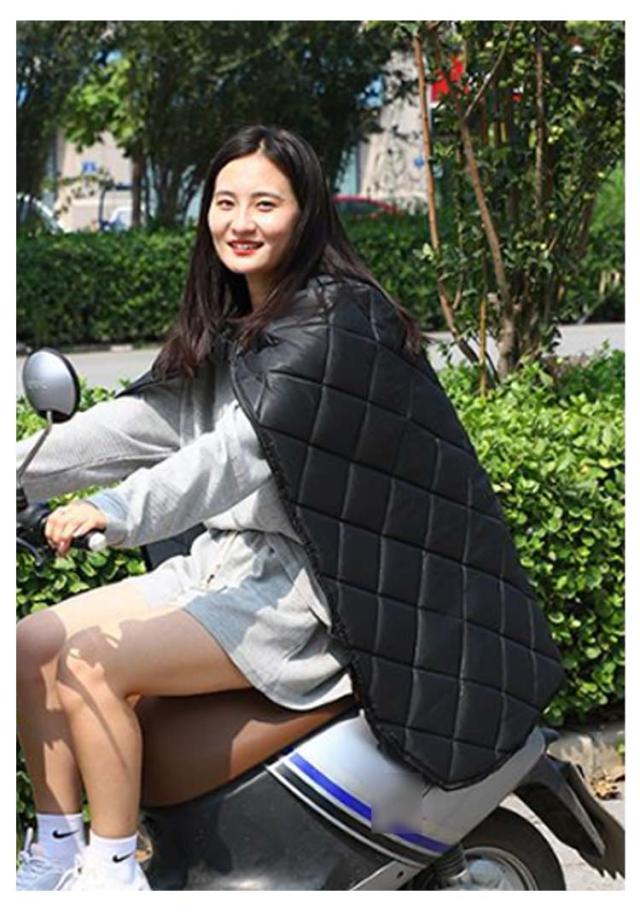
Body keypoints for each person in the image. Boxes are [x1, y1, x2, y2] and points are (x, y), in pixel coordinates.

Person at [16, 124, 564, 892]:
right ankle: (54, 852)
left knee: (88, 661)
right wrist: (20, 470)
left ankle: (112, 873)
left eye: (265, 204)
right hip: (223, 568)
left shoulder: (339, 324)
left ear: (306, 215)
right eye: (225, 202)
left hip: (309, 592)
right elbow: (145, 424)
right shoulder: (234, 321)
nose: (240, 222)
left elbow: (235, 454)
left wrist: (114, 510)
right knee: (31, 643)